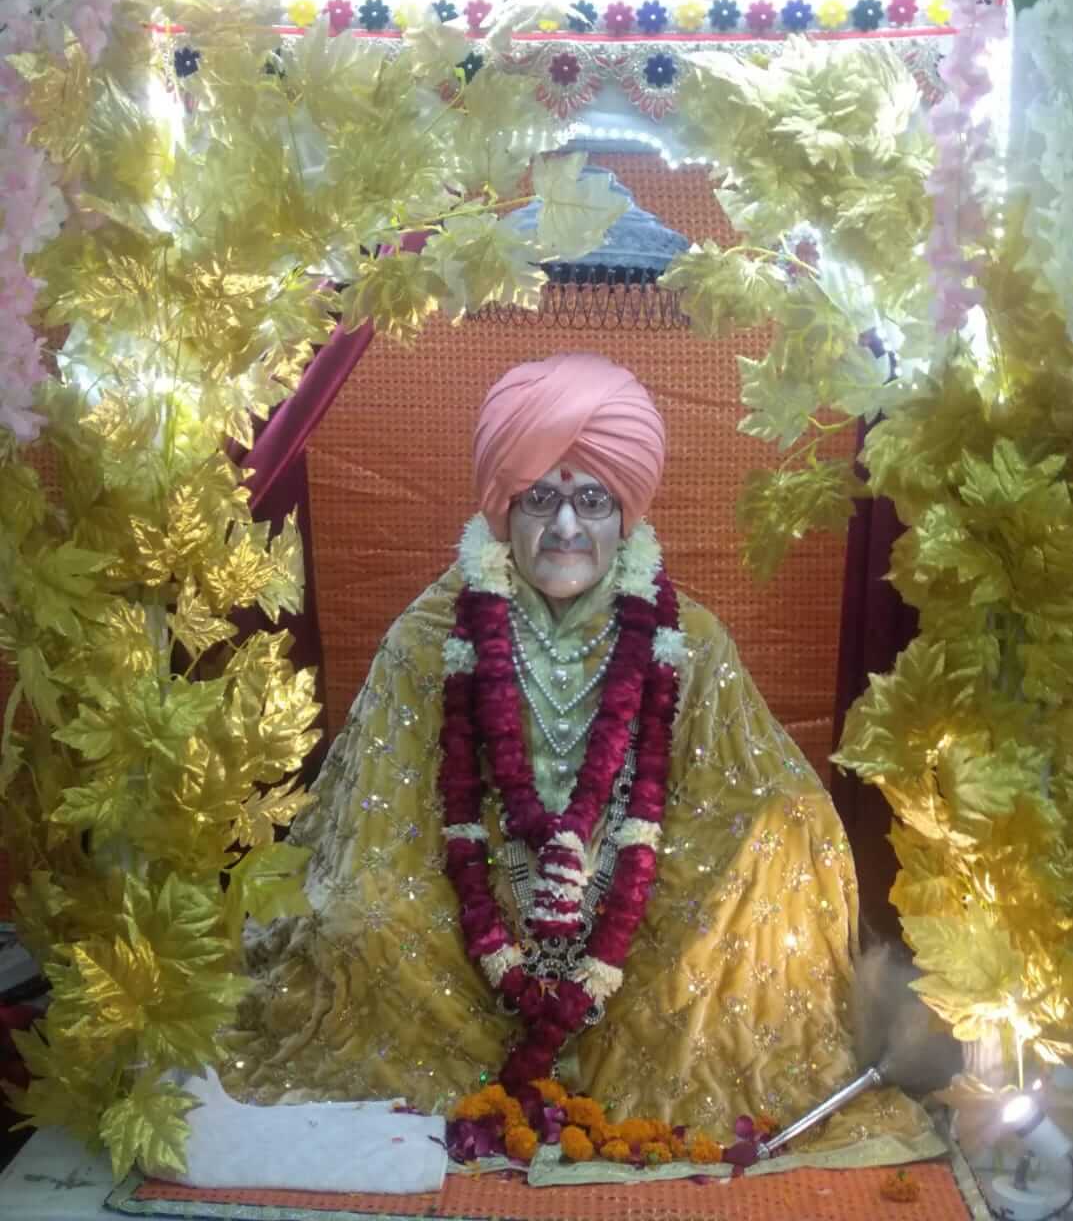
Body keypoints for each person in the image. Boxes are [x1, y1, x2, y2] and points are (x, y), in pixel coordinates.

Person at [228, 352, 936, 1156]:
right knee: (362, 920)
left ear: (625, 512)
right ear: (503, 506)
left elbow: (748, 781)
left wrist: (752, 838)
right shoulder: (430, 636)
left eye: (591, 500)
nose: (565, 528)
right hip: (460, 907)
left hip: (644, 898)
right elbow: (376, 802)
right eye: (541, 498)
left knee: (773, 866)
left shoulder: (687, 637)